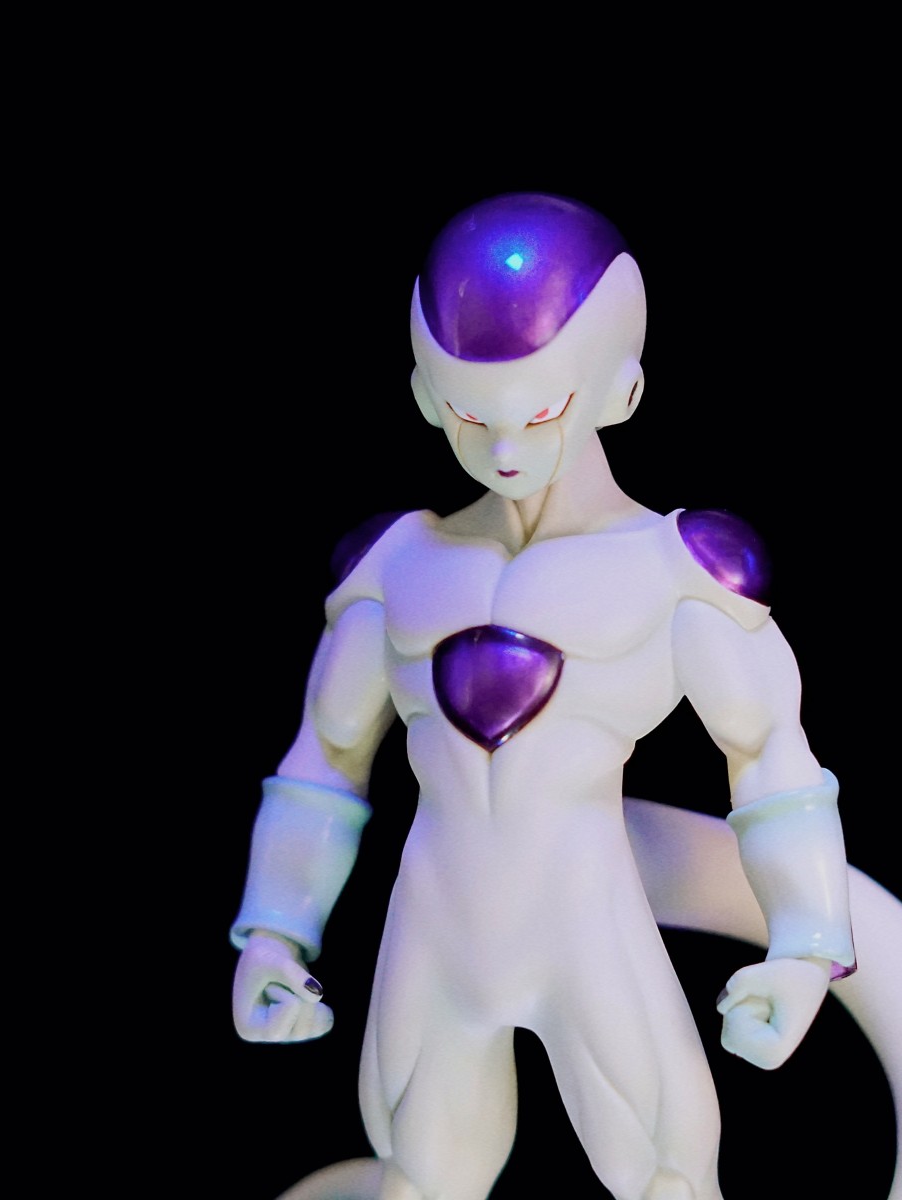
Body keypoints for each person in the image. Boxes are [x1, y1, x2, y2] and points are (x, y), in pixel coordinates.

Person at [228, 193, 856, 1200]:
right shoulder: (397, 568)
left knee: (667, 1179)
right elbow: (325, 759)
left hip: (587, 922)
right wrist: (273, 929)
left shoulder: (675, 572)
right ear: (428, 395)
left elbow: (772, 759)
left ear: (620, 389)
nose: (507, 450)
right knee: (417, 1179)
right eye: (471, 415)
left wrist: (807, 947)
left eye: (542, 411)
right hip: (436, 926)